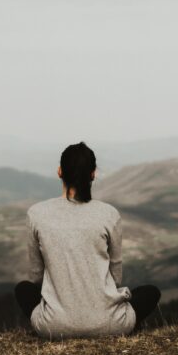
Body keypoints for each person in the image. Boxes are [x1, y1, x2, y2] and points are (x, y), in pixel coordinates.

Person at [14, 141, 161, 339]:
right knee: (150, 292)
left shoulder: (36, 214)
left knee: (23, 289)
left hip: (54, 327)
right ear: (93, 174)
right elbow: (116, 276)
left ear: (59, 171)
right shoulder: (109, 214)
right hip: (110, 325)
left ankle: (61, 321)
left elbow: (36, 276)